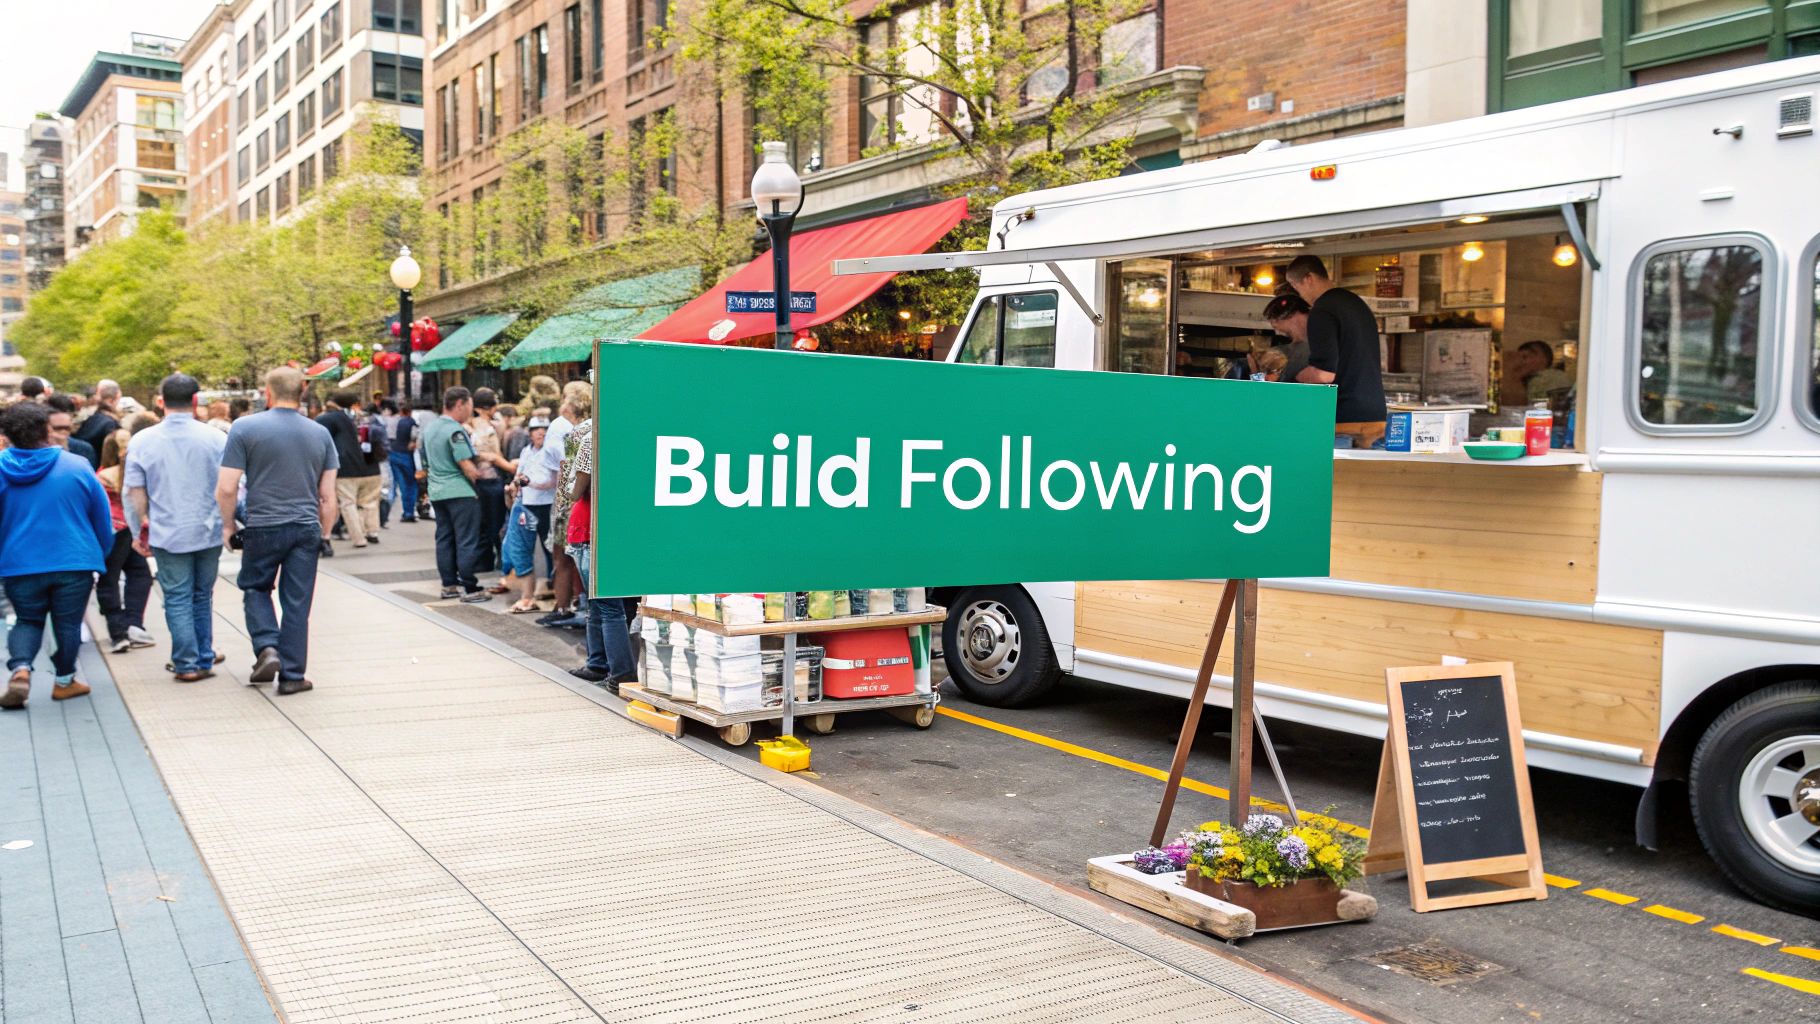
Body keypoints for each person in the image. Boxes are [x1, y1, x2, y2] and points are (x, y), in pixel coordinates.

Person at [218, 367, 338, 695]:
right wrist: (324, 534)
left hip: (263, 525)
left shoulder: (244, 428)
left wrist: (228, 526)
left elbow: (227, 487)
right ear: (303, 389)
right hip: (305, 528)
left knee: (256, 588)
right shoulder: (320, 434)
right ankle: (293, 676)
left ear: (266, 393)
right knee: (297, 602)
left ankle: (267, 645)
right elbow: (328, 497)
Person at [0, 401, 113, 709]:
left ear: (7, 436)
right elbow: (101, 517)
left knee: (26, 619)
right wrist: (101, 554)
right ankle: (64, 681)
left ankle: (21, 669)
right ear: (47, 430)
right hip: (74, 560)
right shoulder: (76, 466)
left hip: (18, 563)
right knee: (67, 623)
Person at [126, 373, 230, 682]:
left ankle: (186, 662)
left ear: (160, 402)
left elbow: (134, 491)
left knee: (176, 596)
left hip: (166, 530)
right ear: (195, 401)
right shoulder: (216, 439)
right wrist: (228, 524)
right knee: (202, 594)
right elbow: (231, 486)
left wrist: (137, 529)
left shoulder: (142, 440)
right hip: (208, 528)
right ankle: (203, 656)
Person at [1285, 255, 1388, 445]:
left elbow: (1324, 375)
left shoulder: (1323, 310)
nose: (1299, 294)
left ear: (1308, 278)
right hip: (1375, 414)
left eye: (1296, 287)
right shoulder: (1355, 303)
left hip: (1344, 420)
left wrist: (1292, 378)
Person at [566, 420, 638, 690]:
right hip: (625, 527)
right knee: (613, 605)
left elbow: (575, 490)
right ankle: (598, 663)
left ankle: (620, 672)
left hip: (591, 526)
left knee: (606, 606)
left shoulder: (592, 438)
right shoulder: (638, 434)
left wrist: (570, 483)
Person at [423, 386, 489, 603]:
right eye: (469, 405)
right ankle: (470, 586)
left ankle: (449, 585)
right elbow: (466, 465)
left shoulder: (429, 429)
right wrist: (480, 479)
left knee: (444, 538)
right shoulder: (455, 431)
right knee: (466, 539)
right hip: (460, 492)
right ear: (460, 404)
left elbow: (424, 464)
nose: (470, 410)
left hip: (437, 491)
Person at [96, 429, 156, 655]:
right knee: (140, 574)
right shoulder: (134, 473)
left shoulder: (102, 475)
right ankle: (133, 624)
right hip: (131, 529)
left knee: (109, 578)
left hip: (111, 530)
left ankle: (118, 631)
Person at [318, 389, 383, 549]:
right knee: (369, 501)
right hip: (369, 465)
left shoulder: (327, 419)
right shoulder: (364, 417)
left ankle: (359, 538)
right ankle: (372, 532)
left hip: (345, 467)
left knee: (348, 503)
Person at [467, 387, 511, 576]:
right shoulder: (479, 427)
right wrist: (509, 467)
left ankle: (489, 559)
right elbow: (491, 455)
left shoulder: (477, 425)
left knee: (488, 522)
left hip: (485, 480)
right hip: (489, 479)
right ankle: (495, 559)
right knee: (493, 522)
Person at [517, 416, 557, 597]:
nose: (541, 432)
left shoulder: (550, 451)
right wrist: (515, 484)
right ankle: (529, 590)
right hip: (527, 503)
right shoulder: (526, 451)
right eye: (536, 429)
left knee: (549, 547)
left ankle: (553, 584)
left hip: (545, 504)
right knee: (525, 547)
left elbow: (552, 481)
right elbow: (520, 472)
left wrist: (528, 482)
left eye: (544, 428)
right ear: (530, 433)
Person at [1261, 292, 1312, 384]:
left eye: (1276, 321)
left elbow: (1262, 388)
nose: (1276, 330)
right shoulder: (1285, 351)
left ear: (1294, 316)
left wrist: (1256, 371)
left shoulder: (1324, 345)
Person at [1505, 340, 1573, 405]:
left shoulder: (1555, 377)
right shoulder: (1522, 379)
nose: (1521, 361)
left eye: (1525, 356)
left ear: (1544, 360)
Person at [72, 379, 121, 466]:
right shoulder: (110, 423)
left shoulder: (90, 418)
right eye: (119, 399)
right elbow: (112, 454)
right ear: (111, 400)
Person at [387, 398, 420, 523]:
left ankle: (387, 512)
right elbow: (414, 441)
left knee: (397, 484)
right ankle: (408, 512)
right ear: (410, 412)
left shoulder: (395, 422)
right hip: (406, 456)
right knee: (410, 485)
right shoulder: (412, 423)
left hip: (393, 454)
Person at [44, 394, 99, 466]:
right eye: (57, 428)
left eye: (65, 428)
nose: (60, 435)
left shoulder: (83, 449)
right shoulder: (84, 449)